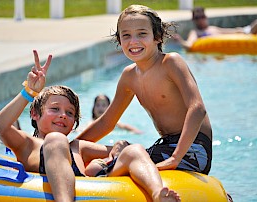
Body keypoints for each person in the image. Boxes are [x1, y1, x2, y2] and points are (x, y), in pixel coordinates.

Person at [0, 50, 180, 202]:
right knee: (56, 140)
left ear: (74, 124)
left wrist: (119, 148)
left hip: (95, 187)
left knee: (135, 149)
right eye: (55, 109)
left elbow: (120, 152)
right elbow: (0, 126)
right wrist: (30, 91)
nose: (62, 116)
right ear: (34, 114)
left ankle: (157, 194)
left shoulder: (77, 147)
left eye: (70, 113)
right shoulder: (27, 144)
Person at [77, 4, 212, 175]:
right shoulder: (129, 76)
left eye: (142, 34)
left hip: (193, 150)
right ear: (119, 41)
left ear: (157, 36)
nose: (133, 41)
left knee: (99, 168)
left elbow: (198, 109)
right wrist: (73, 146)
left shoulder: (171, 63)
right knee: (99, 151)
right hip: (165, 146)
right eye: (126, 35)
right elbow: (106, 122)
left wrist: (176, 157)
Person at [174, 7, 257, 49]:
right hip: (221, 47)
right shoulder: (196, 32)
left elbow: (232, 31)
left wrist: (242, 31)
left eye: (202, 17)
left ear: (206, 17)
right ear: (193, 20)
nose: (200, 20)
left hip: (243, 35)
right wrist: (180, 41)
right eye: (197, 18)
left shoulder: (213, 28)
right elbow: (189, 45)